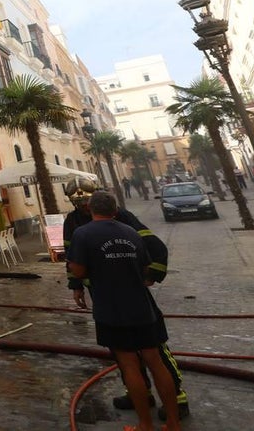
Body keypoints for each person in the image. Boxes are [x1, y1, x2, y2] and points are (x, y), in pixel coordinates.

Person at [63, 175, 189, 421]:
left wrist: (151, 275)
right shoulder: (73, 222)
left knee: (154, 352)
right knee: (126, 354)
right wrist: (76, 286)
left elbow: (157, 248)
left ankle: (177, 397)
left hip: (129, 296)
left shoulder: (124, 219)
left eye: (86, 202)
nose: (83, 207)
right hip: (104, 296)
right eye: (78, 203)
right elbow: (71, 256)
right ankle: (139, 394)